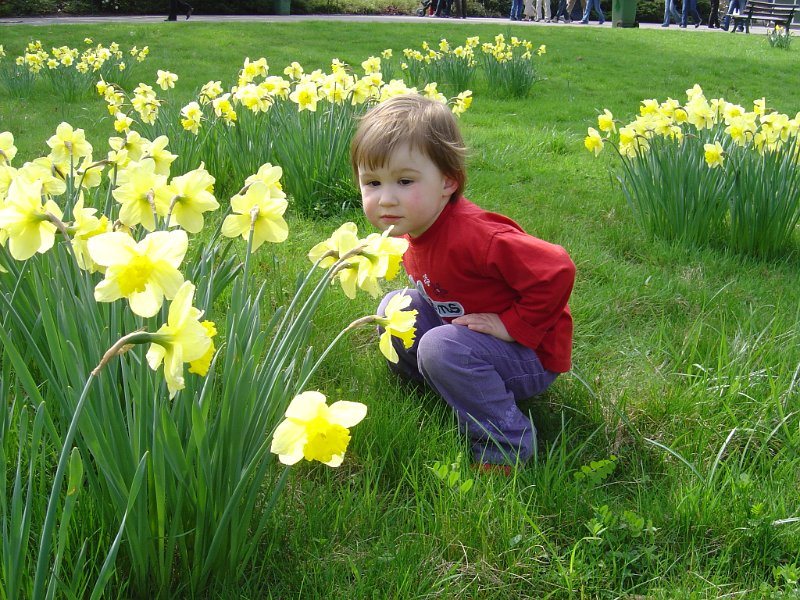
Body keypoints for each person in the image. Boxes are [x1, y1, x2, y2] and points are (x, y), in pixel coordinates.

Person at [350, 95, 576, 467]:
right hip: (467, 334)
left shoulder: (477, 237)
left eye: (404, 181)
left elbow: (557, 269)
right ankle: (440, 390)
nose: (386, 199)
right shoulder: (412, 229)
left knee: (440, 346)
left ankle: (506, 446)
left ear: (448, 181)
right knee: (394, 310)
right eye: (372, 182)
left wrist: (513, 325)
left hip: (529, 355)